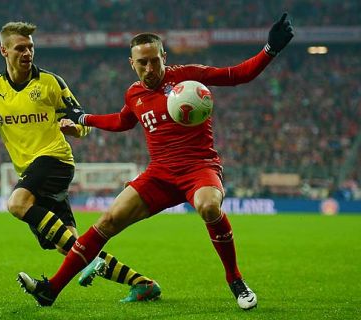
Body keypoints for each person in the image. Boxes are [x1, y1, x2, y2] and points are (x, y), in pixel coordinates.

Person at [24, 13, 294, 310]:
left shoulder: (188, 76)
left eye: (155, 60)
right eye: (143, 62)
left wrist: (270, 50)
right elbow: (122, 122)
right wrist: (84, 118)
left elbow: (236, 75)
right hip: (160, 174)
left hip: (199, 167)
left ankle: (235, 280)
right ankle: (51, 289)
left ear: (164, 57)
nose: (150, 68)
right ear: (132, 63)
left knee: (208, 206)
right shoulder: (134, 93)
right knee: (107, 221)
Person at [0, 21, 160, 304]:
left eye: (30, 48)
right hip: (30, 170)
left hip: (56, 159)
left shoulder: (51, 83)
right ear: (4, 50)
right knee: (70, 246)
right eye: (20, 48)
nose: (27, 53)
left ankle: (80, 270)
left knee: (17, 204)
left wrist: (76, 128)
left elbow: (81, 121)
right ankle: (142, 283)